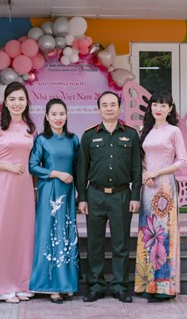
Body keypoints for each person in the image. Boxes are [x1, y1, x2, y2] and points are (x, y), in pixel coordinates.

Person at [76, 91, 142, 303]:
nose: (109, 108)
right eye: (104, 105)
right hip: (95, 195)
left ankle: (119, 286)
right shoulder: (89, 135)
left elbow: (137, 168)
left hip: (121, 195)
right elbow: (81, 169)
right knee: (94, 243)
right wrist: (82, 197)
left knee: (120, 244)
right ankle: (95, 285)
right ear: (98, 109)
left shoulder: (131, 135)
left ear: (119, 107)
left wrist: (135, 195)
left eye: (113, 104)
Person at [0, 81, 36, 304]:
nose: (16, 103)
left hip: (25, 187)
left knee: (24, 234)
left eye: (21, 99)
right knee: (4, 233)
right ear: (5, 102)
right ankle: (1, 287)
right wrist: (7, 167)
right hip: (4, 184)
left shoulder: (30, 128)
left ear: (27, 102)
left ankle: (22, 284)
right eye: (12, 99)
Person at [134, 90, 187, 303]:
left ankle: (163, 288)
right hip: (148, 187)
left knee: (163, 234)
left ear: (170, 108)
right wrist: (145, 174)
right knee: (147, 233)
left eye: (163, 105)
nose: (158, 108)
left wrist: (156, 173)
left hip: (165, 186)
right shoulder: (145, 130)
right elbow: (143, 158)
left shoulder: (174, 131)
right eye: (155, 104)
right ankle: (147, 284)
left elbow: (182, 161)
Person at [29, 98, 80, 304]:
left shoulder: (73, 139)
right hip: (49, 192)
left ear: (66, 116)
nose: (58, 118)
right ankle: (52, 287)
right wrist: (56, 173)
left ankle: (66, 284)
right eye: (54, 114)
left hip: (67, 192)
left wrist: (79, 192)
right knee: (49, 233)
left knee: (66, 234)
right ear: (47, 117)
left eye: (62, 114)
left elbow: (77, 167)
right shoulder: (42, 140)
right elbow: (33, 165)